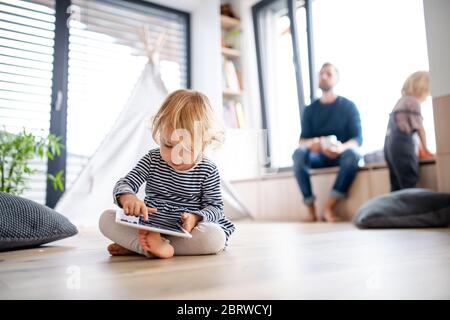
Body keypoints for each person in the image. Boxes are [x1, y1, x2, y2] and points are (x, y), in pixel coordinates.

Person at [99, 89, 235, 258]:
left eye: (186, 149)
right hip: (151, 224)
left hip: (185, 231)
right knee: (106, 219)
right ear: (160, 133)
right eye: (168, 145)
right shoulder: (152, 159)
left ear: (204, 144)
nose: (175, 157)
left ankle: (142, 247)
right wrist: (128, 198)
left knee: (215, 237)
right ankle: (151, 244)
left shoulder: (208, 170)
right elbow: (125, 183)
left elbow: (215, 208)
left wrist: (195, 218)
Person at [292, 63, 362, 222]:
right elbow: (302, 140)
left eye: (328, 74)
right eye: (321, 73)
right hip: (317, 156)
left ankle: (328, 208)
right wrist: (313, 143)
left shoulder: (349, 107)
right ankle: (310, 209)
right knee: (298, 153)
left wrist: (342, 147)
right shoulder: (310, 110)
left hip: (341, 155)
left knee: (353, 155)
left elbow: (358, 139)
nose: (323, 76)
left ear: (337, 79)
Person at [384, 71, 433, 191]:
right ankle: (411, 210)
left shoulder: (401, 102)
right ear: (422, 88)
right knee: (409, 184)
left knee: (396, 186)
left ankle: (396, 209)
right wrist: (426, 150)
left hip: (390, 148)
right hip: (402, 148)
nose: (426, 98)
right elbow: (420, 128)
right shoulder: (413, 102)